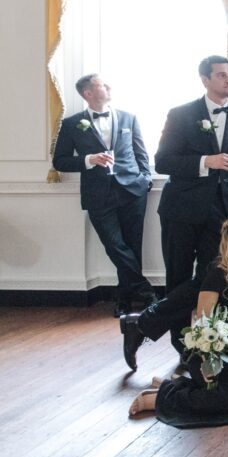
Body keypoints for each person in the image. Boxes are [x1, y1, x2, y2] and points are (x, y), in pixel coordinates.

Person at [125, 212, 228, 429]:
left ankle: (176, 385)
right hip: (210, 357)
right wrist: (207, 359)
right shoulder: (218, 273)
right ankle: (158, 398)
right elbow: (203, 323)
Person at [155, 55, 228, 293]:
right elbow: (162, 162)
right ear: (205, 80)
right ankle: (177, 330)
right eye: (221, 75)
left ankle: (210, 329)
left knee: (215, 273)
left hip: (222, 209)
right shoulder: (180, 114)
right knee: (178, 274)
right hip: (181, 208)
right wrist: (207, 161)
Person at [52, 74, 155, 316]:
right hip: (98, 194)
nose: (108, 87)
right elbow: (60, 161)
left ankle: (126, 300)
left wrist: (145, 181)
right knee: (115, 245)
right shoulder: (71, 124)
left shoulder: (129, 118)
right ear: (87, 93)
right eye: (101, 84)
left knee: (132, 245)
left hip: (132, 190)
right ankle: (147, 292)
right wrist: (89, 160)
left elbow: (141, 153)